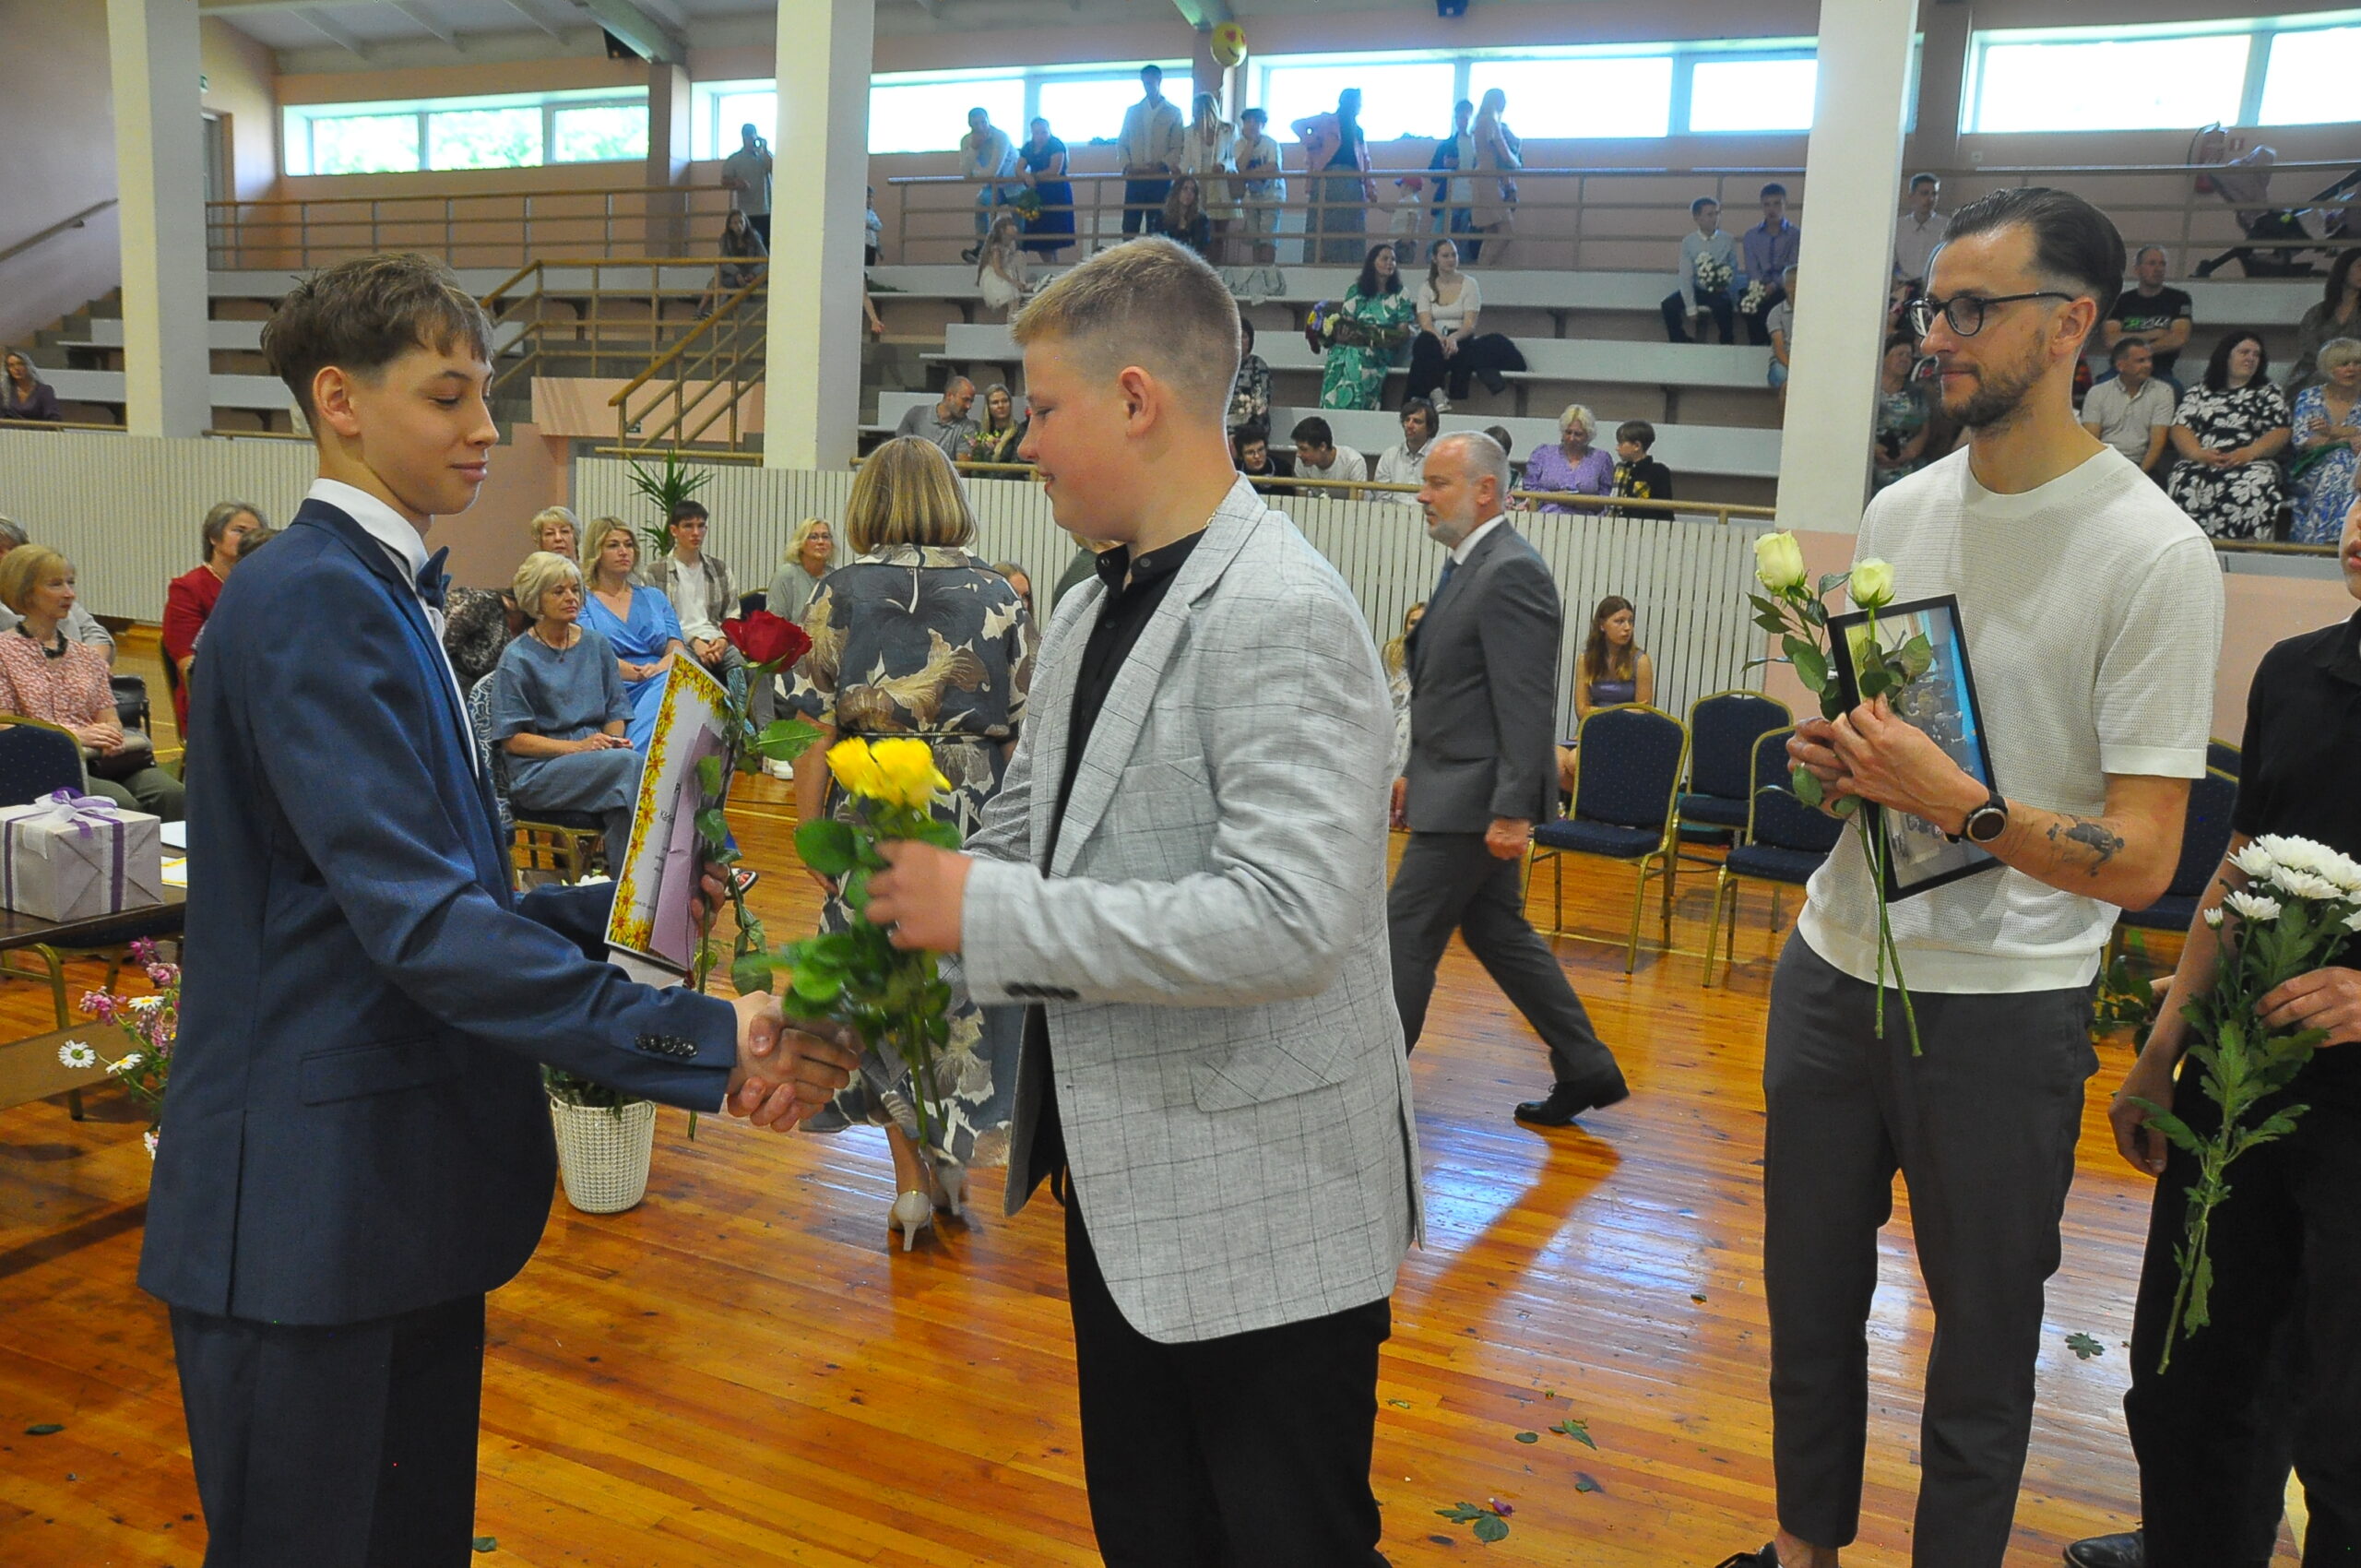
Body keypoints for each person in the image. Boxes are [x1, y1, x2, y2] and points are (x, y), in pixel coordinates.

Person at [137, 251, 857, 1568]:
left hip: (391, 1191)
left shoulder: (382, 591)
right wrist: (705, 1038)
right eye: (448, 395)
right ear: (340, 401)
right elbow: (420, 925)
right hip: (307, 1205)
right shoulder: (309, 600)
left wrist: (613, 902)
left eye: (486, 391)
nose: (484, 427)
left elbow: (426, 885)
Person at [859, 234, 1421, 1566]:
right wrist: (862, 966)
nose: (1024, 444)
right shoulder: (1088, 597)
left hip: (1266, 1207)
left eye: (1042, 409)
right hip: (1123, 1192)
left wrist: (981, 914)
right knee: (1153, 1537)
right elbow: (1023, 830)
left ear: (1133, 399)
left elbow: (1285, 919)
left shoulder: (1280, 607)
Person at [1717, 187, 2225, 1568]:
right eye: (1930, 307)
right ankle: (1807, 1552)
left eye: (1970, 308)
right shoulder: (1901, 505)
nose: (1934, 335)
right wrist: (1843, 761)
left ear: (2071, 325)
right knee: (1807, 1306)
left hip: (2005, 1004)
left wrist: (1964, 805)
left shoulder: (2154, 553)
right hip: (1833, 966)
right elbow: (1894, 739)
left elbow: (2148, 858)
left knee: (1983, 1343)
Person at [2064, 494, 2361, 1568]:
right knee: (2190, 1375)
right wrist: (2159, 1052)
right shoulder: (2293, 671)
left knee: (2345, 1421)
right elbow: (2234, 876)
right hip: (2239, 1083)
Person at [782, 435, 1032, 1248]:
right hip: (973, 806)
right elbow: (1021, 728)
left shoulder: (838, 590)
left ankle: (910, 1186)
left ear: (868, 503)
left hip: (873, 796)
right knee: (960, 993)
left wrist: (810, 831)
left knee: (880, 990)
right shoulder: (999, 590)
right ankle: (953, 1163)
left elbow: (813, 723)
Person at [1389, 431, 1631, 1127]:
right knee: (1498, 933)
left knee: (1403, 933)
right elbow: (1452, 691)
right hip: (1454, 789)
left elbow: (1524, 701)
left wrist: (1514, 809)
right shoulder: (1471, 565)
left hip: (1474, 803)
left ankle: (1370, 1088)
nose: (1422, 496)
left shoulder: (1510, 571)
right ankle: (1586, 1065)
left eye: (1437, 483)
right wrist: (1412, 772)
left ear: (1485, 490)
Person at [0, 545, 181, 819]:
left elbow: (110, 718)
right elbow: (6, 726)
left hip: (99, 759)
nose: (69, 594)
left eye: (71, 583)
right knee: (119, 804)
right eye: (56, 584)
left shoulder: (86, 655)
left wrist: (110, 734)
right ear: (26, 592)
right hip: (40, 763)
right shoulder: (4, 653)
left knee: (174, 795)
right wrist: (71, 736)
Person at [491, 551, 640, 852]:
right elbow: (513, 740)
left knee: (626, 790)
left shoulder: (597, 644)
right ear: (536, 600)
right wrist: (578, 748)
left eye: (575, 589)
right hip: (540, 770)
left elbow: (615, 710)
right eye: (558, 592)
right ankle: (644, 876)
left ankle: (626, 879)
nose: (571, 597)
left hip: (597, 760)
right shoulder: (517, 658)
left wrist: (612, 742)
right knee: (630, 767)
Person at [2165, 329, 2293, 540]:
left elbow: (2281, 431)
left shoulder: (2269, 391)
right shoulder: (2200, 391)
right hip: (2203, 458)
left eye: (2256, 354)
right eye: (2244, 352)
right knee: (2183, 479)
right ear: (2226, 356)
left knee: (2255, 482)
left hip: (2252, 460)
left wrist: (2250, 453)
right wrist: (2197, 453)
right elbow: (2180, 427)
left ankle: (2248, 550)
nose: (2251, 358)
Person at [576, 517, 685, 753]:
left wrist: (658, 669)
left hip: (658, 675)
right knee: (665, 686)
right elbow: (590, 655)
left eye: (628, 545)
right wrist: (639, 674)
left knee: (670, 683)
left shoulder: (654, 597)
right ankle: (635, 759)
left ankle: (632, 756)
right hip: (611, 682)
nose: (623, 551)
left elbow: (676, 647)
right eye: (613, 545)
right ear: (597, 552)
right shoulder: (582, 601)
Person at [162, 500, 266, 737]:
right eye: (239, 530)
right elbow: (188, 664)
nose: (247, 539)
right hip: (211, 699)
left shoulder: (265, 584)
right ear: (213, 537)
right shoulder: (188, 588)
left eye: (255, 533)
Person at [1553, 592, 1655, 791]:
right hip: (1592, 730)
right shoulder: (1586, 659)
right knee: (1555, 763)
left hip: (1624, 734)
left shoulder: (1640, 660)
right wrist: (1622, 711)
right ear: (1602, 625)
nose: (1627, 628)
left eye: (1630, 621)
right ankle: (1589, 805)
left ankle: (1597, 804)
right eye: (1619, 621)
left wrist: (1602, 714)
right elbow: (1582, 710)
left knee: (1575, 761)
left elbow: (1643, 711)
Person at [1407, 238, 1519, 410]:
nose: (1451, 259)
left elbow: (1469, 324)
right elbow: (1426, 323)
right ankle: (1436, 393)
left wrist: (1453, 339)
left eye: (1454, 255)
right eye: (1446, 256)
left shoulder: (1470, 284)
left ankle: (1419, 398)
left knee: (1462, 350)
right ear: (1435, 259)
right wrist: (1442, 340)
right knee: (1424, 343)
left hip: (1461, 338)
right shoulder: (1426, 287)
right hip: (1434, 338)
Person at [0, 516, 114, 660]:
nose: (6, 556)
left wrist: (88, 666)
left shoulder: (50, 593)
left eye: (13, 548)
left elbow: (95, 634)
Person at [1319, 243, 1414, 411]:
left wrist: (1377, 336)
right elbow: (1347, 321)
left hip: (1381, 348)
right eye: (1385, 259)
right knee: (1340, 353)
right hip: (1353, 343)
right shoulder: (1356, 291)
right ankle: (1333, 408)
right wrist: (1342, 335)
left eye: (1393, 259)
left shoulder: (1401, 293)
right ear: (1372, 262)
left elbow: (1402, 332)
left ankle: (1355, 406)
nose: (1390, 263)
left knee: (1358, 354)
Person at [2289, 339, 2361, 545]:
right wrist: (2348, 438)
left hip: (2358, 467)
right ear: (2328, 368)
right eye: (2343, 364)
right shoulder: (2310, 397)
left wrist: (2331, 433)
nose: (2351, 369)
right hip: (2314, 465)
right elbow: (2305, 440)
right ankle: (2335, 537)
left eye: (2357, 363)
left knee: (2346, 465)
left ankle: (2326, 538)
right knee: (2339, 461)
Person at [1295, 88, 1374, 266]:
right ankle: (1319, 262)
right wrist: (1312, 141)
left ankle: (1350, 265)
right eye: (1358, 102)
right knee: (1324, 224)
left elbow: (1365, 160)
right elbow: (1297, 125)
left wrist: (1370, 188)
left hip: (1353, 182)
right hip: (1328, 179)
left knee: (1351, 226)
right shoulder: (1326, 121)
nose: (1360, 106)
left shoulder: (1358, 131)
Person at [2081, 339, 2179, 475]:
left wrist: (2138, 476)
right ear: (2121, 366)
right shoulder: (2097, 392)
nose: (2149, 365)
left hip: (2141, 466)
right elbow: (2091, 441)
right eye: (2141, 361)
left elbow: (2157, 444)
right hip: (2103, 465)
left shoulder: (2163, 391)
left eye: (2149, 359)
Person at [2104, 246, 2196, 386]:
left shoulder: (2179, 299)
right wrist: (2152, 334)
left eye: (2162, 264)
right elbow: (2111, 341)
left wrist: (2134, 349)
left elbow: (2179, 338)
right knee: (2099, 389)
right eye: (2152, 263)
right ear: (2137, 270)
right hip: (2121, 370)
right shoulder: (2120, 301)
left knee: (2176, 389)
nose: (2158, 269)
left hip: (2159, 370)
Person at [1664, 196, 1741, 345]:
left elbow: (1733, 268)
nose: (1715, 218)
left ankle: (1727, 343)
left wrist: (1726, 284)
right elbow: (1686, 276)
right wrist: (1690, 307)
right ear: (1697, 217)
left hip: (1718, 290)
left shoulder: (1728, 239)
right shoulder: (1689, 242)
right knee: (1668, 306)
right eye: (1710, 214)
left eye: (1717, 213)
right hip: (1697, 287)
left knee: (1724, 307)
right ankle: (1680, 341)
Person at [1119, 64, 1182, 238]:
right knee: (1129, 226)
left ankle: (1154, 256)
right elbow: (1122, 142)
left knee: (1157, 226)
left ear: (1159, 80)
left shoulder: (1174, 112)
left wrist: (1162, 165)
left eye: (1150, 83)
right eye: (1144, 83)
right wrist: (1127, 166)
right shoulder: (1132, 112)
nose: (1147, 87)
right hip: (1136, 177)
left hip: (1159, 178)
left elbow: (1177, 146)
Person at [2286, 248, 2361, 395]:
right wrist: (2333, 367)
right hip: (2319, 371)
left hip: (2357, 373)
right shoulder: (2317, 313)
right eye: (2360, 267)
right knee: (2316, 381)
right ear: (2344, 270)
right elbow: (2309, 350)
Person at [1519, 403, 1615, 512]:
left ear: (1588, 435)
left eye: (1578, 434)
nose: (1572, 438)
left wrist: (1577, 502)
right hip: (1545, 516)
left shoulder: (1601, 459)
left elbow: (1606, 499)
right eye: (1568, 432)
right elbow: (1528, 489)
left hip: (1587, 519)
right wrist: (1556, 497)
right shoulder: (1543, 454)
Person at [1465, 88, 1520, 267]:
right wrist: (1517, 163)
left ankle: (1483, 269)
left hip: (1484, 177)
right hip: (1488, 179)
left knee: (1491, 232)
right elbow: (1504, 153)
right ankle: (1484, 268)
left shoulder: (1480, 122)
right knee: (1506, 230)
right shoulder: (1490, 121)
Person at [1179, 92, 1237, 262]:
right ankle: (1204, 265)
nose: (1196, 115)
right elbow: (1186, 159)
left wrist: (1223, 166)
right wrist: (1179, 173)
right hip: (1199, 185)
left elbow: (1235, 157)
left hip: (1220, 185)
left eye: (1199, 110)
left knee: (1220, 234)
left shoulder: (1228, 130)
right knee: (1203, 229)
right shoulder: (1189, 132)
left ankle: (1218, 266)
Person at [1741, 183, 1801, 347]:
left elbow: (1792, 265)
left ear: (1785, 205)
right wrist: (1760, 288)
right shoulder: (1751, 236)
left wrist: (1774, 286)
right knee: (1747, 303)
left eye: (1777, 204)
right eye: (1767, 204)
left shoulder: (1795, 235)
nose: (1771, 209)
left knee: (1778, 302)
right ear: (1762, 206)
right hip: (1759, 286)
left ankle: (1777, 347)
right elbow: (1752, 267)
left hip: (1783, 287)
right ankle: (1757, 346)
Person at [957, 106, 1018, 262]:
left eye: (983, 122)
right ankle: (981, 248)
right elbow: (965, 173)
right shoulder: (966, 141)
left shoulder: (1001, 137)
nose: (980, 127)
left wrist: (977, 174)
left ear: (988, 121)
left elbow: (993, 171)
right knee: (981, 205)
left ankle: (1019, 251)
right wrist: (974, 148)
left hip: (1014, 183)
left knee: (1020, 218)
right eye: (976, 124)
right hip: (992, 185)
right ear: (970, 125)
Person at [1872, 337, 1933, 493]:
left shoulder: (1916, 393)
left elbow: (1924, 429)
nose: (1905, 360)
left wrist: (1909, 453)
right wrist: (1873, 448)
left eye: (1909, 356)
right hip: (1869, 462)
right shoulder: (1869, 388)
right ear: (1883, 357)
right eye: (1900, 354)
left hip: (1905, 463)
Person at [1231, 106, 1284, 265]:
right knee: (1253, 238)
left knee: (1267, 238)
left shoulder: (1271, 144)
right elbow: (1240, 167)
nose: (1252, 125)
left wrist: (1249, 173)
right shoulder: (1239, 144)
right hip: (1251, 197)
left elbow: (1272, 166)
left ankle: (1267, 270)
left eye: (1256, 121)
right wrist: (1250, 143)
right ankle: (1257, 270)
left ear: (1263, 124)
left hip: (1272, 195)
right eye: (1248, 121)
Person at [1017, 118, 1074, 260]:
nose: (1040, 136)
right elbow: (1018, 168)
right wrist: (1025, 176)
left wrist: (1034, 176)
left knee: (1051, 236)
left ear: (1049, 131)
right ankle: (1051, 266)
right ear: (1032, 133)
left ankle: (1052, 267)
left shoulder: (1056, 144)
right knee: (1039, 238)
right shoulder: (1028, 147)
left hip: (1056, 193)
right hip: (1037, 192)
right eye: (1037, 133)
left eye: (1043, 132)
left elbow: (1054, 170)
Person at [1380, 600, 1424, 779]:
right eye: (1413, 622)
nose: (1417, 627)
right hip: (1395, 713)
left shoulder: (1435, 652)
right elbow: (1396, 688)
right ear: (1406, 624)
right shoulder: (1393, 650)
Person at [1427, 99, 1477, 252]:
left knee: (1464, 247)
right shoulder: (1446, 145)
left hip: (1473, 201)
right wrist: (1445, 167)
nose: (1462, 122)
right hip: (1449, 199)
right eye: (1459, 118)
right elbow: (1432, 174)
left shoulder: (1480, 146)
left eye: (1465, 118)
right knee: (1435, 243)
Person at [719, 121, 773, 248]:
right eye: (748, 137)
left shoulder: (764, 156)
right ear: (743, 138)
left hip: (767, 210)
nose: (751, 140)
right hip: (747, 212)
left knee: (768, 246)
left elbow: (773, 169)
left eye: (753, 137)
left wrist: (764, 149)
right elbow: (724, 181)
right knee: (750, 246)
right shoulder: (735, 159)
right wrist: (736, 182)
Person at [894, 375, 978, 457]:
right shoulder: (916, 414)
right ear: (949, 396)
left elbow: (962, 465)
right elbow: (898, 450)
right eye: (965, 399)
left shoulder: (967, 427)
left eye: (971, 401)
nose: (969, 406)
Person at [1375, 398, 1438, 501]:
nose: (1409, 425)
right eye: (1407, 420)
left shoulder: (1440, 457)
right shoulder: (1389, 455)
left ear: (1430, 428)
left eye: (1417, 421)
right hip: (1392, 510)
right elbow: (1382, 498)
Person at [1610, 420, 1675, 517]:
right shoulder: (1620, 468)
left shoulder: (1658, 472)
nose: (1617, 448)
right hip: (1615, 523)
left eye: (1621, 444)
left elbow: (1665, 509)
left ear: (1637, 446)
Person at [1892, 173, 1949, 284]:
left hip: (1935, 285)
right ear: (1911, 196)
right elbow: (1889, 263)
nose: (1930, 199)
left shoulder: (1947, 226)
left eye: (1934, 194)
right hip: (1903, 286)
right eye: (1924, 193)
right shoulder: (1898, 226)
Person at [1291, 414, 1369, 493]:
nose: (1298, 454)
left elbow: (1357, 500)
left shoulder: (1353, 462)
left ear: (1322, 446)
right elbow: (1301, 498)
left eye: (1304, 449)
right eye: (1298, 448)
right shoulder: (1302, 461)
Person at [977, 212, 1029, 318]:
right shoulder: (996, 248)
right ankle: (1012, 321)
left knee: (1020, 255)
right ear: (1002, 230)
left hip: (1005, 272)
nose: (1015, 228)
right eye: (1011, 225)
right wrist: (1013, 281)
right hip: (996, 277)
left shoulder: (1011, 244)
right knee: (1013, 297)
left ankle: (1022, 284)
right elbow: (998, 269)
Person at [1227, 316, 1271, 437]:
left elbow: (1261, 402)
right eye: (1235, 336)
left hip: (1250, 426)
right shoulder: (1220, 367)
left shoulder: (1258, 365)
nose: (1239, 341)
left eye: (1244, 336)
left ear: (1250, 340)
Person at [964, 382, 1026, 465]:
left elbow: (1017, 466)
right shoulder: (980, 432)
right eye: (995, 402)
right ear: (988, 407)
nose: (1001, 406)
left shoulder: (1020, 432)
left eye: (1005, 401)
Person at [1767, 265, 1799, 410]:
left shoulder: (1816, 312)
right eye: (1791, 284)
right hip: (1783, 364)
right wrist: (1796, 369)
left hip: (1809, 362)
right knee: (1786, 381)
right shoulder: (1776, 313)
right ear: (1786, 287)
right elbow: (1779, 350)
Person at [716, 207, 766, 295]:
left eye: (741, 222)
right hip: (733, 275)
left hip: (752, 274)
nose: (739, 226)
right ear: (730, 225)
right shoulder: (725, 239)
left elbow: (764, 259)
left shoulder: (754, 236)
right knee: (719, 283)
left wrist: (754, 273)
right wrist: (737, 274)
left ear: (746, 223)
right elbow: (723, 261)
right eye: (735, 223)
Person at [1160, 175, 1214, 259]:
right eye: (1185, 189)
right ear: (1177, 191)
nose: (1189, 193)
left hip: (1192, 261)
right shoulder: (1163, 217)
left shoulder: (1201, 219)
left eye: (1193, 190)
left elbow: (1200, 247)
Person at [1, 350, 60, 422]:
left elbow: (53, 417)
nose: (16, 368)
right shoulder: (3, 390)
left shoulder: (44, 390)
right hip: (8, 428)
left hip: (37, 428)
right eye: (11, 365)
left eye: (20, 364)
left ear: (28, 366)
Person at [865, 183, 883, 267]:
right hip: (864, 244)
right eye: (868, 197)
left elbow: (879, 226)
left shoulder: (871, 213)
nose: (870, 200)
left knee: (870, 266)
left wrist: (870, 225)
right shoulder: (860, 211)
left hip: (872, 244)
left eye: (872, 197)